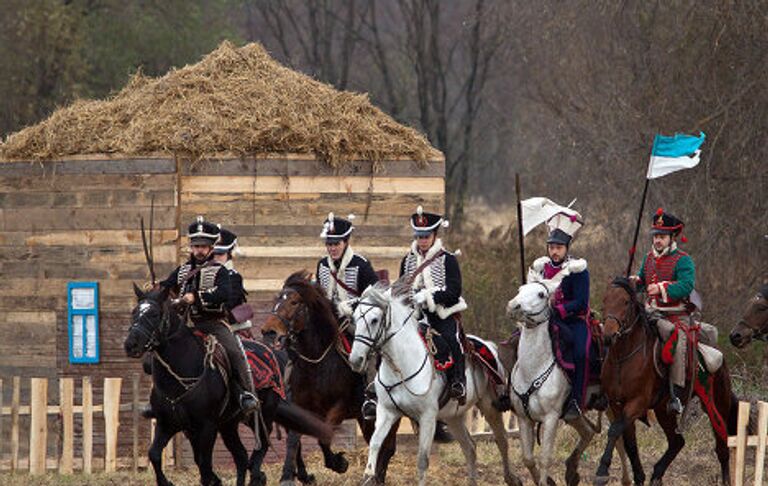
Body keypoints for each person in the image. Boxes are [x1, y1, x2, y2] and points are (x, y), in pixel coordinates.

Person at [159, 216, 259, 414]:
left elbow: (223, 294)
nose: (199, 250)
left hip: (213, 325)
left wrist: (194, 297)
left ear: (211, 248)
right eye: (196, 246)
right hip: (187, 325)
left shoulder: (220, 271)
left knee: (234, 352)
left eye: (203, 246)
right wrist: (156, 290)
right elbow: (167, 285)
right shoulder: (183, 270)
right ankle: (160, 397)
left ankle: (245, 393)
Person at [631, 208, 696, 415]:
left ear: (672, 237)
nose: (657, 240)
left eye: (662, 237)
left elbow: (686, 286)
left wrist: (661, 288)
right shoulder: (648, 258)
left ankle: (676, 394)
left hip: (676, 315)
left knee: (677, 340)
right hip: (651, 312)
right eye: (656, 236)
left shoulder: (683, 259)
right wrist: (635, 282)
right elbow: (643, 280)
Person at [401, 206, 468, 404]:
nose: (422, 240)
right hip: (413, 315)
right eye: (419, 236)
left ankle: (458, 381)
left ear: (434, 235)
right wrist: (410, 297)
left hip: (442, 314)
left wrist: (429, 296)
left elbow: (454, 293)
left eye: (426, 236)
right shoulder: (407, 260)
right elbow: (400, 288)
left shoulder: (448, 259)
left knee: (451, 338)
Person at [528, 210, 590, 421]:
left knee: (582, 353)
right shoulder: (540, 269)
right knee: (517, 342)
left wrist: (560, 309)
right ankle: (515, 393)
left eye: (559, 247)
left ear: (566, 248)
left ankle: (576, 400)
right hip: (544, 320)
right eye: (552, 247)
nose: (554, 251)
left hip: (573, 321)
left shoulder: (578, 270)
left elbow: (582, 302)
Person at [316, 212, 379, 318]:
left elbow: (373, 295)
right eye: (329, 244)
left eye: (336, 244)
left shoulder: (361, 265)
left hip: (355, 318)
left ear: (345, 243)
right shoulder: (323, 265)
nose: (332, 249)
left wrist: (350, 305)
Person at [212, 227, 252, 336]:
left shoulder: (234, 277)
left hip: (226, 326)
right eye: (212, 254)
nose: (215, 258)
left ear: (229, 255)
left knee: (233, 352)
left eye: (220, 254)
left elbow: (228, 305)